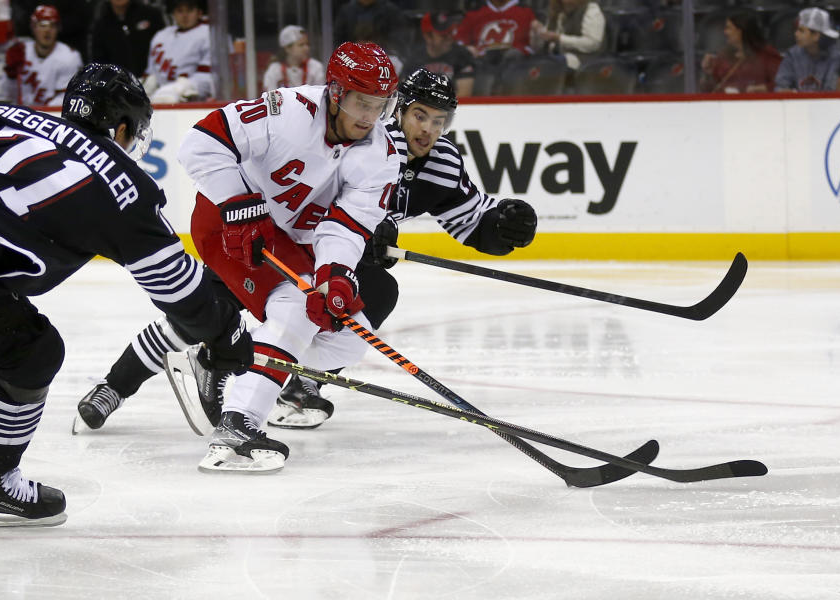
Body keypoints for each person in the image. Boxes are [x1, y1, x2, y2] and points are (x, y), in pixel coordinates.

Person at [75, 67, 536, 444]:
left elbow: (470, 220)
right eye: (421, 115)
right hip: (271, 234)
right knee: (204, 315)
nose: (429, 130)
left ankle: (302, 379)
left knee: (370, 297)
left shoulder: (438, 162)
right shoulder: (366, 136)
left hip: (331, 253)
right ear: (400, 110)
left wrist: (500, 229)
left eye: (440, 121)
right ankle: (117, 385)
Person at [0, 61, 251, 528]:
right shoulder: (126, 188)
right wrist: (227, 335)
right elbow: (182, 292)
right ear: (121, 128)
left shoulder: (9, 118)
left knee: (31, 350)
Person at [76, 42, 401, 473]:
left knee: (348, 338)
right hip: (229, 224)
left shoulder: (381, 155)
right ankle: (236, 427)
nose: (369, 116)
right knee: (292, 309)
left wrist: (334, 275)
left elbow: (345, 227)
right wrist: (240, 201)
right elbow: (200, 143)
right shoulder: (288, 111)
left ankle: (225, 358)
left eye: (380, 105)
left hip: (292, 242)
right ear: (337, 92)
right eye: (362, 102)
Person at [1, 5, 83, 106]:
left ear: (58, 29)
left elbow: (67, 99)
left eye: (52, 25)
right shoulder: (21, 52)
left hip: (53, 116)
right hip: (23, 114)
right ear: (33, 28)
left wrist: (39, 114)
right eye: (42, 25)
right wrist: (11, 76)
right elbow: (8, 95)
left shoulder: (70, 57)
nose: (47, 30)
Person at [143, 0, 219, 103]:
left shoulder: (209, 33)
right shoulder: (161, 36)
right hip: (158, 96)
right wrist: (149, 82)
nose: (184, 15)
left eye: (190, 10)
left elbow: (209, 77)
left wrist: (184, 87)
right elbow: (151, 72)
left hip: (195, 100)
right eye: (180, 11)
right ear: (173, 13)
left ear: (199, 12)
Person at [698, 11, 781, 93]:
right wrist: (707, 73)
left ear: (740, 31)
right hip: (726, 104)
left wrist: (763, 89)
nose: (725, 32)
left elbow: (782, 85)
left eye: (728, 28)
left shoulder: (766, 55)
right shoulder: (724, 55)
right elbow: (709, 90)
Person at [401, 10, 475, 98]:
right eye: (443, 35)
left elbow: (464, 95)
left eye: (450, 32)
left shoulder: (463, 56)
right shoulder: (414, 59)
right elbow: (404, 92)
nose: (449, 38)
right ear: (428, 36)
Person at [87, 0, 165, 78]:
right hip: (119, 84)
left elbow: (165, 46)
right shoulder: (101, 26)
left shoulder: (151, 14)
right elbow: (99, 64)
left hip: (155, 79)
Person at [775, 7, 840, 92]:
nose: (796, 34)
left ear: (816, 35)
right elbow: (781, 86)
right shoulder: (792, 55)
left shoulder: (835, 57)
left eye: (801, 31)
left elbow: (830, 91)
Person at [531, 0, 606, 72]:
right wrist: (537, 33)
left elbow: (593, 43)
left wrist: (559, 38)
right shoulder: (557, 10)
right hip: (554, 59)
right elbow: (540, 47)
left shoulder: (591, 10)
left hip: (580, 63)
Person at [261, 25, 325, 92]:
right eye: (301, 45)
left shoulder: (316, 66)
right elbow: (269, 97)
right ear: (287, 48)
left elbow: (321, 96)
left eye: (307, 44)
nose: (306, 48)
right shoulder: (274, 69)